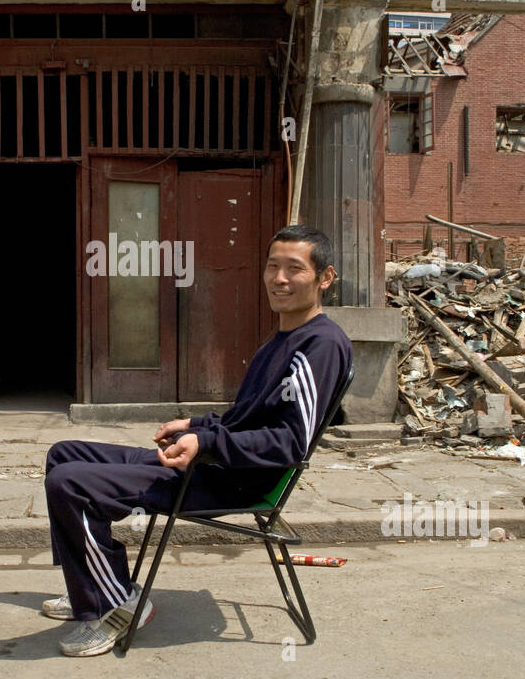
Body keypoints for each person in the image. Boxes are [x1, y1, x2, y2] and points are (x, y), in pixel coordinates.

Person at [42, 225, 352, 656]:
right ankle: (89, 585)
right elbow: (246, 418)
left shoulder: (320, 345)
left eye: (294, 269)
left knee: (69, 483)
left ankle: (114, 604)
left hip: (235, 480)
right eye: (272, 266)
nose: (279, 278)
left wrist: (206, 445)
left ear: (325, 278)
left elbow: (289, 443)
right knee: (64, 454)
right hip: (213, 462)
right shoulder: (281, 339)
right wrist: (196, 423)